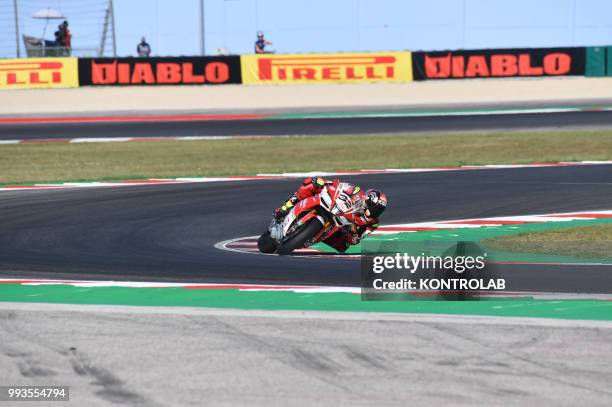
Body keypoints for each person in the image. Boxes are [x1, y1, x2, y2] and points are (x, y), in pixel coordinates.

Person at [274, 177, 388, 252]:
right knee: (314, 182)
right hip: (333, 206)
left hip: (341, 225)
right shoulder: (357, 192)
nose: (376, 212)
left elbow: (357, 238)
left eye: (379, 210)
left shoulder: (372, 223)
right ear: (368, 200)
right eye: (375, 208)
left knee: (343, 246)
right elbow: (341, 186)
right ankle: (285, 207)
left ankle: (311, 236)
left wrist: (354, 236)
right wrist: (328, 185)